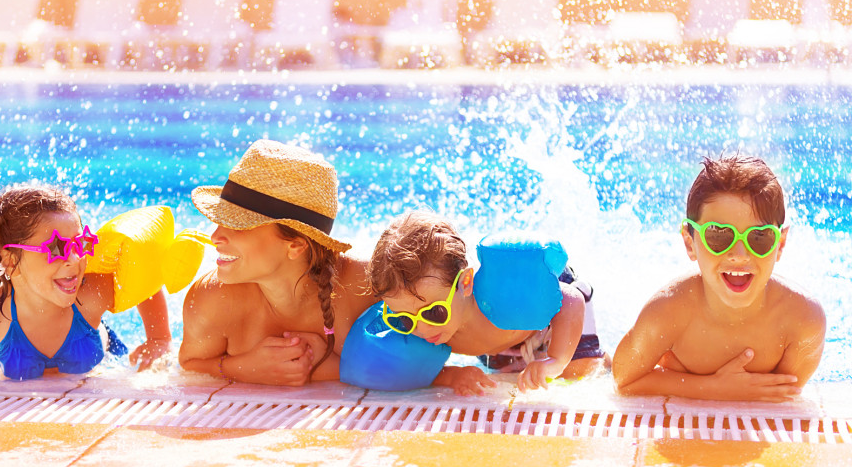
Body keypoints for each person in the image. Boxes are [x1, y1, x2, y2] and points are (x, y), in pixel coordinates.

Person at [0, 184, 194, 380]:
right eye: (56, 248)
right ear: (12, 260)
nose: (73, 261)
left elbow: (144, 279)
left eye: (79, 244)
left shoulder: (90, 297)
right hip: (15, 338)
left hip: (88, 339)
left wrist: (158, 339)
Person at [613, 155, 825, 402]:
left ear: (780, 244)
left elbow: (782, 400)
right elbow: (623, 378)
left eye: (759, 237)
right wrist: (712, 388)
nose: (739, 255)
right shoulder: (669, 311)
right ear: (689, 242)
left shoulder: (802, 321)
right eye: (719, 235)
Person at [179, 139, 376, 386]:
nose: (215, 237)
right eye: (220, 221)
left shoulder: (369, 288)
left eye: (238, 226)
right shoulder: (212, 300)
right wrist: (241, 368)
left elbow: (429, 366)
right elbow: (189, 365)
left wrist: (330, 368)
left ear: (295, 245)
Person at [366, 211, 608, 396]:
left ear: (466, 283)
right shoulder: (422, 322)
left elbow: (571, 302)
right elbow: (407, 367)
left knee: (580, 374)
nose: (421, 329)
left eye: (435, 313)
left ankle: (603, 359)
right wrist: (450, 376)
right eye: (403, 319)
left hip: (547, 315)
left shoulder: (500, 296)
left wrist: (556, 360)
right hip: (501, 345)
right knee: (511, 379)